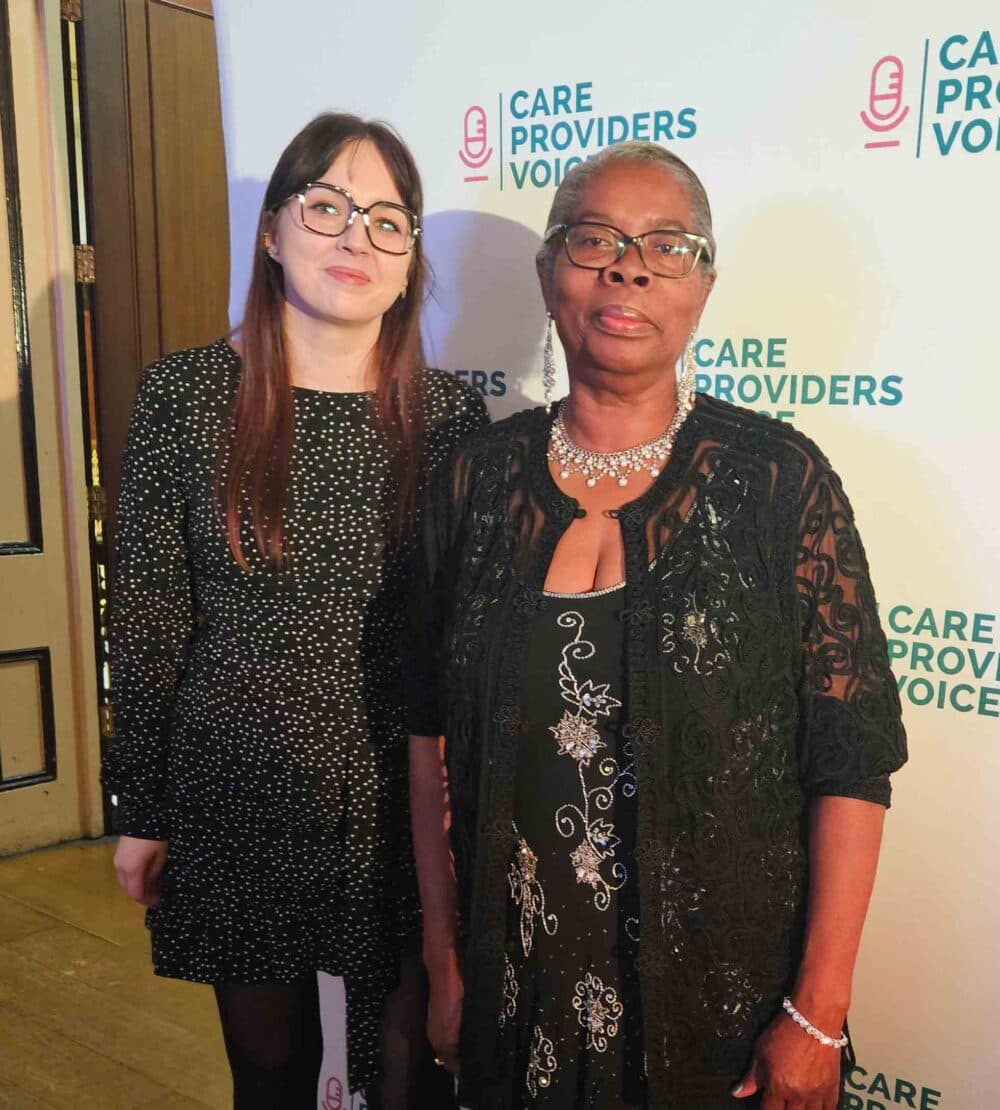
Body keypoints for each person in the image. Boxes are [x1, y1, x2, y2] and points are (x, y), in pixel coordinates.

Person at [407, 141, 907, 1110]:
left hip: (721, 1028)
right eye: (593, 238)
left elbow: (850, 764)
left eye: (667, 245)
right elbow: (428, 734)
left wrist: (816, 1012)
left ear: (705, 284)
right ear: (549, 274)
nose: (628, 266)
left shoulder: (777, 484)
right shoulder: (473, 481)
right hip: (518, 1008)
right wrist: (443, 962)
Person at [104, 112, 488, 1109]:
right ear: (272, 232)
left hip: (399, 794)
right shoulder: (188, 397)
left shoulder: (448, 417)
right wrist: (141, 813)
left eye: (387, 220)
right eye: (327, 207)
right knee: (268, 1073)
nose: (355, 239)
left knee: (409, 1070)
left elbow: (464, 636)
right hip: (237, 782)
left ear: (410, 261)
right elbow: (147, 619)